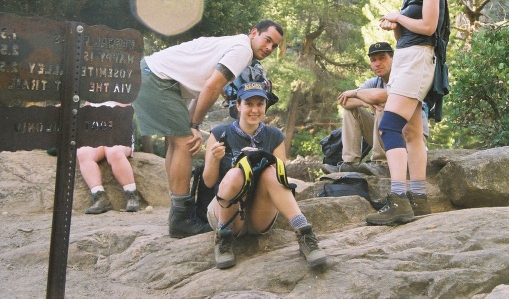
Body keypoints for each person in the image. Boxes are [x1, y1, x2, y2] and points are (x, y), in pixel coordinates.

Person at [132, 20, 283, 238]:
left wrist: (194, 123)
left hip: (154, 75)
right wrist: (194, 126)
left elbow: (205, 89)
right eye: (267, 40)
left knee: (177, 144)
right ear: (253, 33)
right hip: (157, 79)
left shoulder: (236, 45)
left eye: (275, 46)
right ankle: (181, 218)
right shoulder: (241, 50)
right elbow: (213, 86)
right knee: (185, 143)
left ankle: (179, 212)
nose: (269, 48)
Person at [203, 82, 327, 269]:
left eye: (260, 104)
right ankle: (223, 239)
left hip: (259, 216)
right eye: (249, 104)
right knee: (236, 173)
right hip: (228, 214)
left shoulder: (274, 136)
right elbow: (208, 181)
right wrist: (213, 158)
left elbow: (280, 179)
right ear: (238, 106)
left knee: (272, 171)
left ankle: (304, 233)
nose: (255, 110)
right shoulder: (220, 133)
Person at [366, 0, 445, 226]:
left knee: (389, 127)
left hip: (418, 61)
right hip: (406, 58)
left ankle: (399, 199)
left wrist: (399, 16)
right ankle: (419, 200)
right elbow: (406, 38)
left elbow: (429, 28)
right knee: (412, 133)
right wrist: (395, 25)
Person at [322, 42, 429, 177]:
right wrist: (366, 103)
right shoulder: (374, 82)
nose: (377, 63)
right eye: (373, 60)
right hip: (386, 135)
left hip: (411, 139)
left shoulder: (404, 79)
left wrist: (357, 94)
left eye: (382, 58)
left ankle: (381, 162)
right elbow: (345, 101)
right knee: (352, 110)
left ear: (394, 59)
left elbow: (379, 97)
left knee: (384, 105)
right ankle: (350, 164)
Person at [77, 102, 139, 214]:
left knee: (114, 152)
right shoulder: (92, 95)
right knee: (83, 152)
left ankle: (131, 195)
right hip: (97, 136)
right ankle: (99, 197)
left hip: (119, 135)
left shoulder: (121, 90)